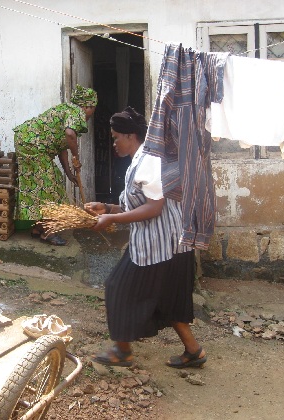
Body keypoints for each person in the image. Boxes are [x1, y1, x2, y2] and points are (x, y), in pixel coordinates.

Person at [84, 106, 207, 369]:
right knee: (169, 298)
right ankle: (194, 351)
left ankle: (122, 351)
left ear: (131, 136)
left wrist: (111, 219)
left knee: (117, 286)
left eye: (117, 136)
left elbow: (154, 207)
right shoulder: (138, 160)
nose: (114, 142)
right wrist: (106, 208)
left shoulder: (149, 160)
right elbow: (136, 205)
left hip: (163, 244)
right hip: (166, 243)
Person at [14, 84, 97, 246]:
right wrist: (76, 157)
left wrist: (68, 173)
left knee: (37, 185)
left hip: (26, 141)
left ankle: (38, 227)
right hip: (33, 144)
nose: (90, 114)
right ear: (87, 106)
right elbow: (69, 134)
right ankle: (49, 232)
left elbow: (62, 148)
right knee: (51, 184)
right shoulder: (75, 112)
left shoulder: (66, 111)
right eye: (92, 109)